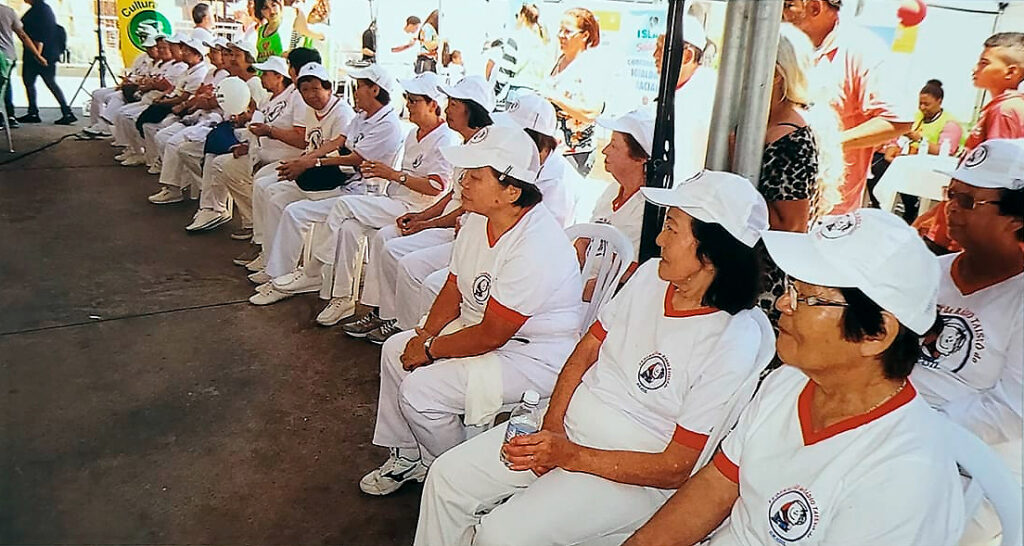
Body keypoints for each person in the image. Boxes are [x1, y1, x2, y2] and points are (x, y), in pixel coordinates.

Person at [414, 170, 773, 546]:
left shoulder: (732, 340)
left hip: (631, 473)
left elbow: (675, 467)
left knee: (500, 535)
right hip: (564, 432)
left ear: (712, 252)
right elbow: (586, 350)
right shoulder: (650, 278)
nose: (658, 239)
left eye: (672, 228)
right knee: (447, 478)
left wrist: (571, 456)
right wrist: (553, 425)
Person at [625, 208, 967, 546]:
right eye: (792, 287)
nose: (782, 304)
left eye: (807, 297)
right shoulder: (789, 382)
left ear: (876, 334)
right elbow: (716, 486)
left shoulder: (906, 476)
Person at [359, 124, 583, 496]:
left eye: (475, 177)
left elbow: (492, 335)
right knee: (395, 350)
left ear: (511, 191)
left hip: (532, 356)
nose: (462, 182)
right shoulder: (480, 219)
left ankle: (458, 479)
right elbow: (454, 285)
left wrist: (429, 349)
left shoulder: (536, 245)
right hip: (485, 330)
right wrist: (424, 335)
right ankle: (411, 455)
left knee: (421, 393)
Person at [262, 72, 454, 325]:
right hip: (390, 198)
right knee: (349, 228)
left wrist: (393, 175)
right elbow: (342, 144)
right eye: (407, 99)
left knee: (342, 207)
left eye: (414, 100)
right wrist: (309, 160)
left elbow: (436, 187)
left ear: (433, 104)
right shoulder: (413, 134)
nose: (408, 105)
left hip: (413, 207)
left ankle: (312, 271)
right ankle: (343, 298)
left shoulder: (444, 138)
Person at [915, 139, 1023, 545]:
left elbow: (1011, 411)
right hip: (892, 436)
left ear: (1016, 218)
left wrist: (912, 426)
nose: (951, 208)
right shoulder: (926, 271)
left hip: (979, 469)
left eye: (968, 200)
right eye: (951, 194)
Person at [347, 76, 495, 343]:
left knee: (404, 259)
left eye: (454, 104)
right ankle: (385, 313)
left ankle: (405, 329)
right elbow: (453, 195)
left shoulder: (482, 150)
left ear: (472, 110)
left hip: (462, 232)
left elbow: (461, 203)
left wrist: (427, 223)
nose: (447, 108)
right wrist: (422, 217)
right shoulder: (466, 144)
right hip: (448, 223)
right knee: (385, 238)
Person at [247, 64, 404, 310]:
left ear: (375, 90)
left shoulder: (388, 124)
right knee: (279, 200)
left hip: (363, 193)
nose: (355, 91)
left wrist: (313, 162)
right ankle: (279, 275)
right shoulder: (363, 116)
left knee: (295, 212)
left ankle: (298, 277)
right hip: (343, 185)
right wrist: (305, 160)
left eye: (360, 86)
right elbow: (337, 141)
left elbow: (355, 159)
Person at [782, 0, 915, 214]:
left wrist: (825, 144)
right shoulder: (780, 43)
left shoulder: (863, 49)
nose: (779, 13)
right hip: (773, 196)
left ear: (814, 7)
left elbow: (898, 120)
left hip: (827, 209)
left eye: (788, 5)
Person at [755, 22, 844, 327]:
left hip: (766, 284)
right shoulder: (774, 126)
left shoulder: (790, 137)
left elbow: (791, 227)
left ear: (776, 75)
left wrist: (741, 185)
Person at [916, 32, 1024, 252]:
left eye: (984, 63)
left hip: (969, 228)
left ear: (1011, 72)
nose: (975, 68)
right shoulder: (999, 108)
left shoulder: (1005, 111)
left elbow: (993, 182)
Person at [188, 54, 301, 232]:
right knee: (220, 163)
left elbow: (299, 137)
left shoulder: (294, 98)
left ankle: (262, 229)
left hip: (282, 158)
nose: (261, 77)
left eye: (266, 74)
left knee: (260, 182)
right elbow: (256, 128)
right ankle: (249, 220)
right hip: (260, 154)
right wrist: (247, 146)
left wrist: (269, 131)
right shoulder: (267, 100)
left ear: (279, 76)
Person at [870, 79, 962, 219]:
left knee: (902, 174)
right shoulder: (916, 117)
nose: (922, 108)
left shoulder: (950, 124)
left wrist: (919, 139)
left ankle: (911, 210)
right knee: (875, 164)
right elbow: (895, 136)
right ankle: (878, 207)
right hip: (905, 158)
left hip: (929, 166)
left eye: (927, 104)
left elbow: (944, 152)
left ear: (939, 101)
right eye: (920, 103)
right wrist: (891, 148)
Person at [652, 15, 717, 180]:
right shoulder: (675, 87)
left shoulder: (705, 93)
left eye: (661, 48)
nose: (654, 55)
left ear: (687, 56)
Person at [541, 7, 605, 176]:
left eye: (568, 31)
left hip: (574, 154)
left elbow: (591, 112)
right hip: (551, 149)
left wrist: (554, 97)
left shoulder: (589, 66)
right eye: (560, 30)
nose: (561, 35)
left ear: (585, 35)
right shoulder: (559, 60)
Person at [17, 0, 74, 125]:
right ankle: (65, 111)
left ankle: (36, 112)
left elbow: (40, 35)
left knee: (35, 82)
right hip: (47, 52)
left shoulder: (38, 11)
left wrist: (38, 54)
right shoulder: (44, 9)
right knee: (45, 82)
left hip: (39, 53)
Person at [0, 1, 45, 129]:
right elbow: (22, 35)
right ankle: (9, 116)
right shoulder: (9, 12)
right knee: (5, 85)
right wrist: (37, 54)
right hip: (8, 55)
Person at [413, 10, 440, 74]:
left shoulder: (430, 28)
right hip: (426, 60)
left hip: (429, 60)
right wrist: (439, 42)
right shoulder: (428, 28)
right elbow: (428, 45)